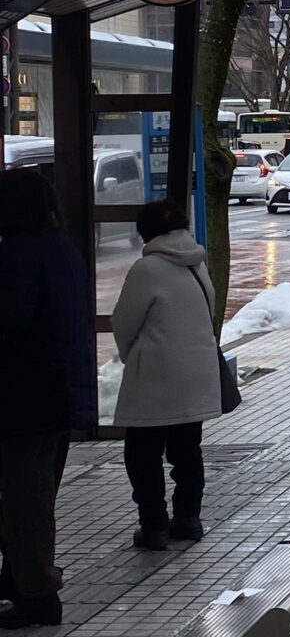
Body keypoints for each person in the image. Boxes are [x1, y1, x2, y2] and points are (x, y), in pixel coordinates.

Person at [0, 169, 92, 629]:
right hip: (53, 396)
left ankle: (36, 591)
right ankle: (20, 578)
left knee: (23, 500)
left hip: (23, 400)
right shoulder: (60, 249)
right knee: (34, 495)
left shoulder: (18, 254)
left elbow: (9, 322)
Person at [112, 200, 221, 551]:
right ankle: (188, 517)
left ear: (146, 233)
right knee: (187, 451)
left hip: (155, 379)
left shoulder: (148, 269)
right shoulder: (197, 264)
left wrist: (134, 356)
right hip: (196, 376)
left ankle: (154, 524)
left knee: (142, 454)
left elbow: (124, 322)